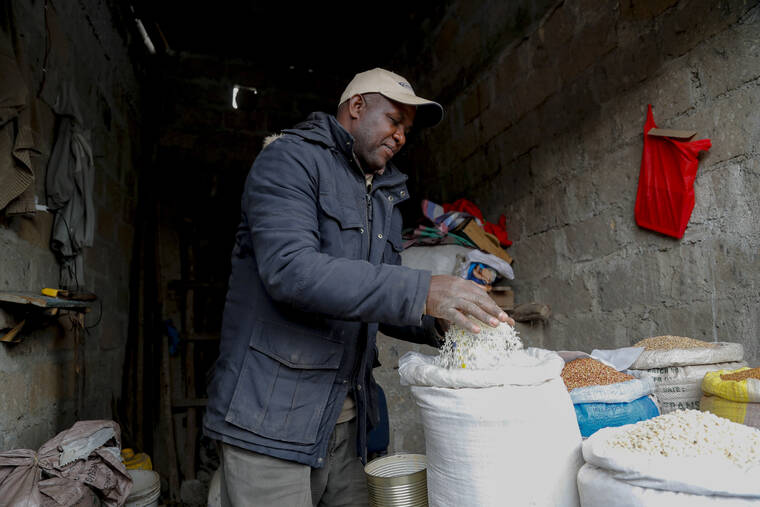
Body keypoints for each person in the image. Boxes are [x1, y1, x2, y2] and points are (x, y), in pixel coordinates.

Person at [204, 68, 513, 506]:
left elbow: (377, 300)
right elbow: (292, 271)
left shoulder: (384, 196)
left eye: (407, 129)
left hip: (349, 422)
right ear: (356, 107)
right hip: (270, 421)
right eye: (394, 120)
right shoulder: (290, 160)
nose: (401, 135)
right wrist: (423, 288)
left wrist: (447, 319)